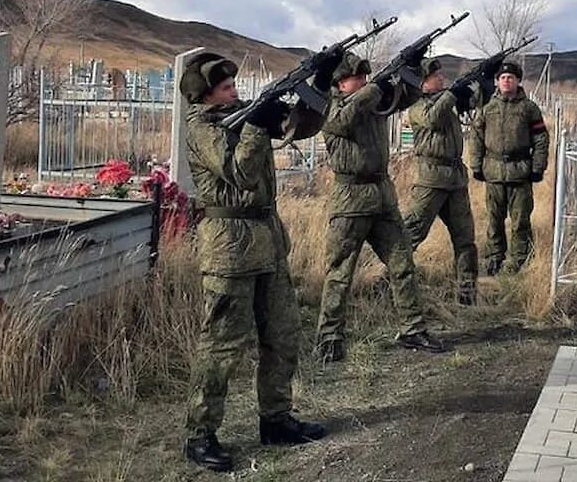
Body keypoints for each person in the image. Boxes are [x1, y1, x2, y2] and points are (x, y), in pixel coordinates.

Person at [179, 50, 340, 472]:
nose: (235, 92)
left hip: (267, 243)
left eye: (235, 86)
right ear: (205, 95)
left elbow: (301, 126)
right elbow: (240, 172)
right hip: (229, 249)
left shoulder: (242, 115)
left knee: (283, 335)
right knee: (221, 347)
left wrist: (318, 85)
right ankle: (200, 435)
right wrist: (255, 122)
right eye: (226, 88)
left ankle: (276, 420)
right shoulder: (201, 127)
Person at [315, 51, 446, 363]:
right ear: (339, 84)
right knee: (341, 272)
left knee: (403, 265)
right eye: (354, 78)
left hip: (382, 198)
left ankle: (412, 329)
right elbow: (344, 120)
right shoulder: (330, 108)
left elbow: (406, 97)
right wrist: (375, 87)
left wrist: (412, 70)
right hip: (350, 200)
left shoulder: (371, 100)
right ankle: (329, 335)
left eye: (364, 76)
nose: (361, 82)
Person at [402, 58, 499, 305]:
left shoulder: (448, 100)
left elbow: (479, 101)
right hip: (430, 181)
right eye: (435, 76)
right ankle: (394, 288)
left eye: (440, 75)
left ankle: (467, 295)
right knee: (409, 236)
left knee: (465, 240)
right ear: (423, 83)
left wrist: (486, 79)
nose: (441, 79)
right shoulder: (417, 107)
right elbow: (433, 118)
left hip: (455, 181)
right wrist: (453, 93)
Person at [469, 61, 549, 275]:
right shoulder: (488, 107)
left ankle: (518, 260)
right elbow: (476, 137)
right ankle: (495, 257)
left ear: (518, 81)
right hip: (493, 172)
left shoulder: (529, 108)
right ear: (497, 81)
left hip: (520, 172)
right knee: (494, 220)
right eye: (503, 78)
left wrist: (538, 167)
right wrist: (476, 165)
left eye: (511, 77)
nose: (506, 81)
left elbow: (541, 139)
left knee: (520, 221)